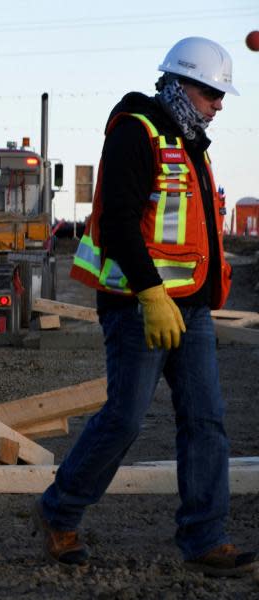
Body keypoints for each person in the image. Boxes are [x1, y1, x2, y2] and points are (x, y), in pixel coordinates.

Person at [33, 37, 256, 577]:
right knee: (125, 419)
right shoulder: (137, 130)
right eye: (211, 92)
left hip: (191, 308)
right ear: (180, 84)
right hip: (139, 305)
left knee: (206, 421)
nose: (219, 103)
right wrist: (151, 294)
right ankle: (58, 511)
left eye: (222, 94)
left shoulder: (192, 139)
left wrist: (192, 296)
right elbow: (117, 222)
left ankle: (205, 538)